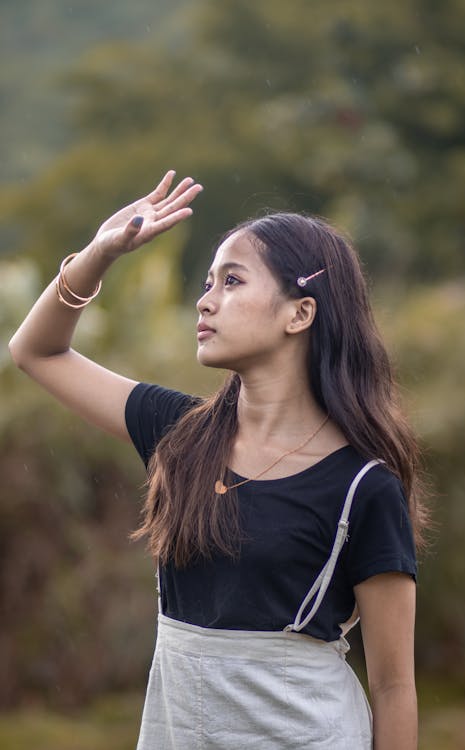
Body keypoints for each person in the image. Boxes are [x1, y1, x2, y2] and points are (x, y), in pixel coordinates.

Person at [10, 170, 426, 749]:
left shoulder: (363, 487)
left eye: (231, 282)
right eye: (207, 283)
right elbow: (36, 351)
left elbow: (392, 685)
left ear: (299, 313)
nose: (205, 302)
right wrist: (98, 255)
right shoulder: (179, 434)